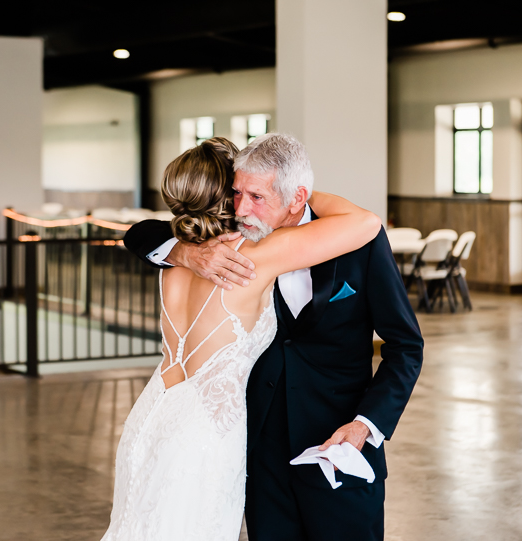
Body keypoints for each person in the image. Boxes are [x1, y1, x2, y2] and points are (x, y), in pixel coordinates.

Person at [124, 133, 424, 540]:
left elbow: (405, 346)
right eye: (236, 193)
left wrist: (365, 425)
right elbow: (142, 232)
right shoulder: (231, 243)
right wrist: (185, 252)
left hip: (338, 446)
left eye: (257, 196)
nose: (242, 209)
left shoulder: (357, 243)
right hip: (259, 456)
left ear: (297, 197)